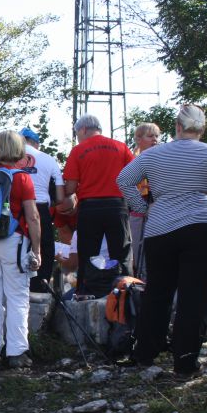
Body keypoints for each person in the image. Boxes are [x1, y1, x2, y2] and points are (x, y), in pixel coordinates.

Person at [117, 104, 207, 376]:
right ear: (202, 128)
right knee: (194, 296)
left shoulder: (154, 154)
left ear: (177, 127)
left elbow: (124, 179)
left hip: (161, 227)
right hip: (204, 226)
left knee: (158, 292)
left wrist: (143, 206)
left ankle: (145, 353)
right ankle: (185, 361)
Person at [0, 131, 41, 369]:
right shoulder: (22, 178)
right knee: (17, 298)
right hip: (13, 242)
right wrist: (37, 249)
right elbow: (32, 217)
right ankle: (16, 352)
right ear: (19, 150)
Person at [63, 114, 135, 292]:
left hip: (90, 207)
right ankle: (126, 294)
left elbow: (70, 187)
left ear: (83, 130)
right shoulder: (121, 147)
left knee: (88, 254)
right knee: (122, 254)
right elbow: (135, 176)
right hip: (117, 205)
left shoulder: (78, 150)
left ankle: (85, 292)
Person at [19, 127, 71, 292]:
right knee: (44, 248)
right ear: (36, 143)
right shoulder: (48, 159)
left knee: (15, 248)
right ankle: (40, 287)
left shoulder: (8, 157)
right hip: (40, 207)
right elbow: (61, 196)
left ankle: (18, 287)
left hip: (15, 207)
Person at [129, 123, 161, 278]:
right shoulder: (133, 160)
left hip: (159, 211)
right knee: (137, 252)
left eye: (156, 136)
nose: (154, 139)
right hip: (138, 212)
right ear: (139, 139)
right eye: (150, 136)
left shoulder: (163, 159)